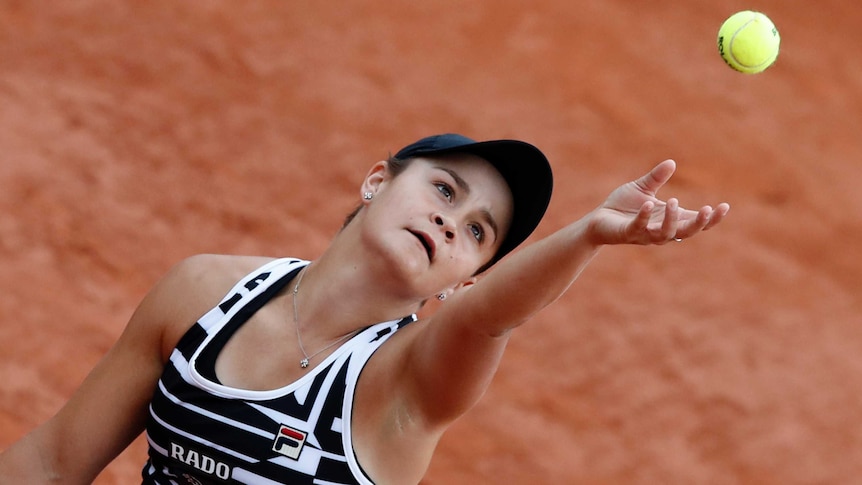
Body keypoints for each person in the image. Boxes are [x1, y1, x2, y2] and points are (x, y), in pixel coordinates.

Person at [0, 133, 729, 484]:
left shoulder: (404, 387)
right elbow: (52, 461)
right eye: (445, 190)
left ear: (465, 277)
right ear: (377, 180)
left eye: (478, 231)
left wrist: (589, 234)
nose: (452, 221)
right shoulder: (202, 294)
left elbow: (490, 319)